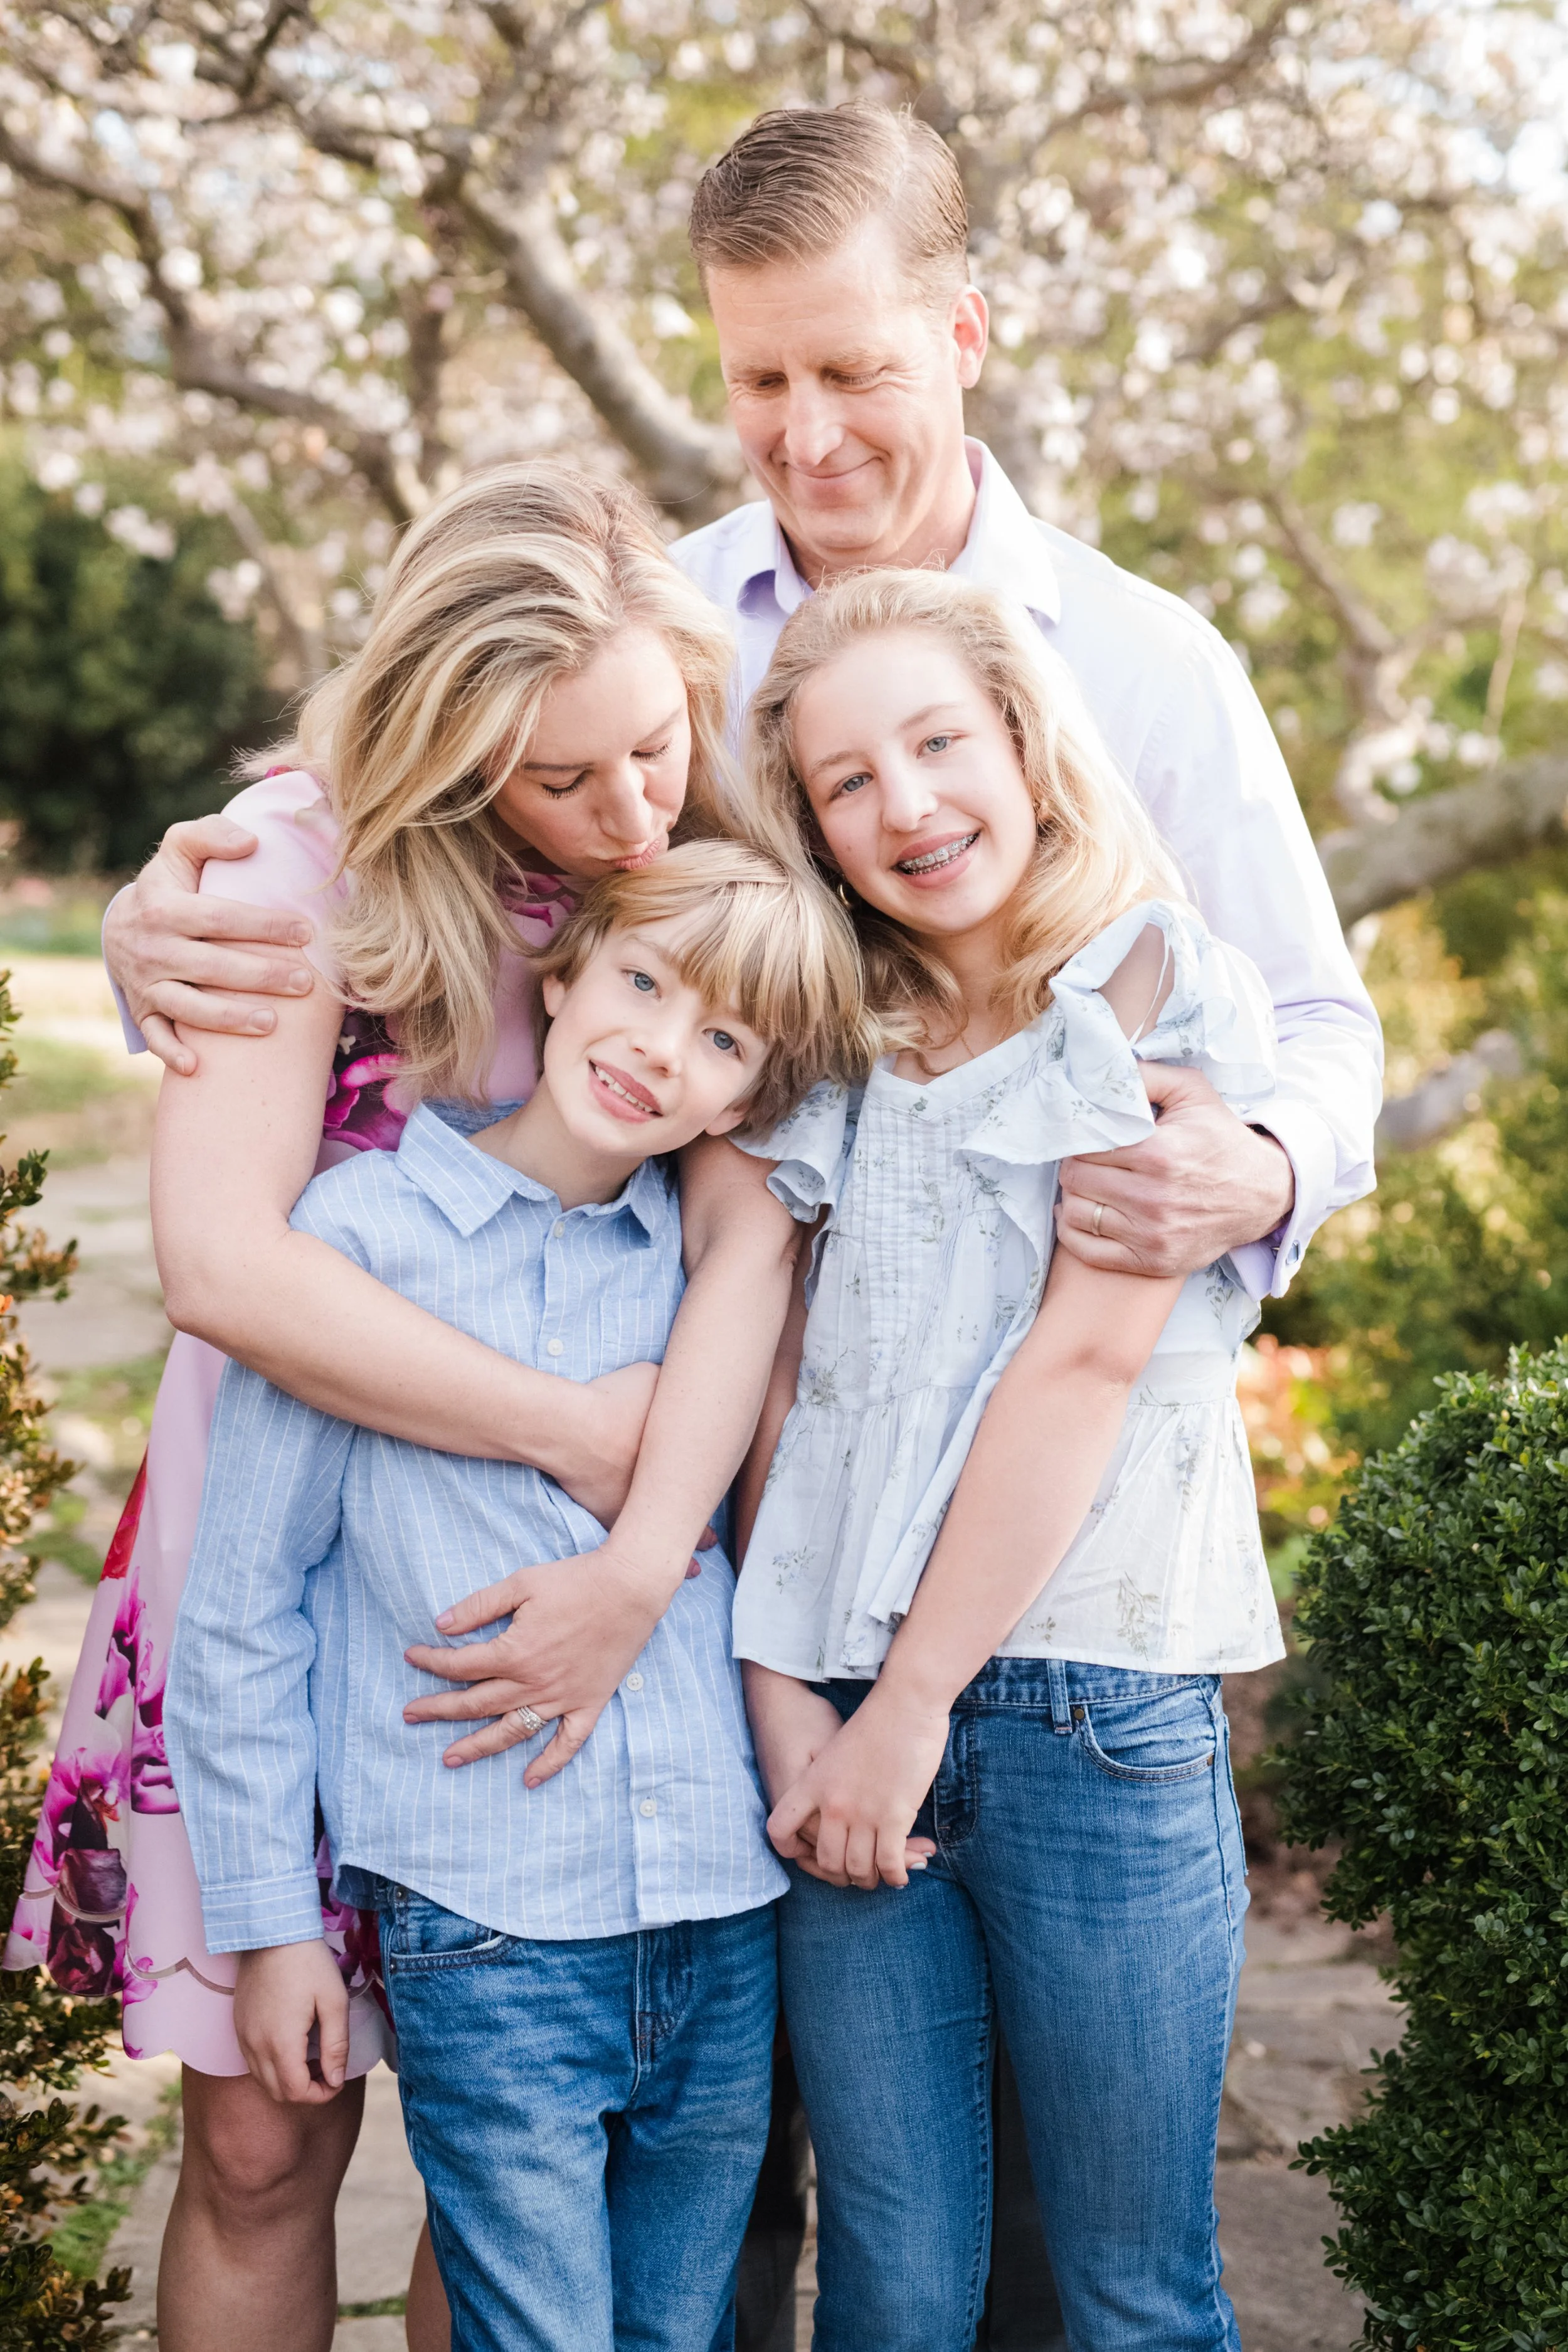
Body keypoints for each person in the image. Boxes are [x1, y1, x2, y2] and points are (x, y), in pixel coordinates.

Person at [80, 98, 1381, 2346]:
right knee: (585, 2164)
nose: (807, 430)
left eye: (855, 370)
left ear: (963, 337)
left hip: (956, 1575)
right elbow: (385, 821)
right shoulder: (664, 638)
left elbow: (1305, 1029)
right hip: (633, 1539)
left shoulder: (1141, 666)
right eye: (759, 378)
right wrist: (166, 904)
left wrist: (1257, 1171)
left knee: (1005, 2237)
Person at [6, 464, 813, 2352]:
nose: (627, 807)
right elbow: (224, 1265)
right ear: (444, 750)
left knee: (514, 2153)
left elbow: (754, 1218)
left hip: (531, 1633)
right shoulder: (298, 872)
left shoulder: (691, 852)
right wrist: (571, 1427)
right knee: (269, 2138)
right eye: (560, 777)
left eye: (652, 741)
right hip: (283, 1570)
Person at [165, 842, 866, 2352]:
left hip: (715, 1914)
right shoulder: (352, 1250)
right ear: (556, 979)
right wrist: (275, 1926)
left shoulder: (704, 1288)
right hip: (486, 1922)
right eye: (639, 984)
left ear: (743, 1104)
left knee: (675, 2333)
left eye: (722, 1040)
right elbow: (240, 1612)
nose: (659, 1048)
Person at [733, 568, 1306, 2350]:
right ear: (813, 831)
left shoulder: (1140, 988)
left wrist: (903, 1712)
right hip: (838, 1709)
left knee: (1130, 2290)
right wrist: (793, 1714)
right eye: (846, 780)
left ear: (1022, 743)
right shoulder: (831, 1038)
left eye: (934, 740)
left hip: (1086, 1710)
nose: (903, 801)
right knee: (894, 2286)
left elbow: (1076, 1364)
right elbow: (782, 1395)